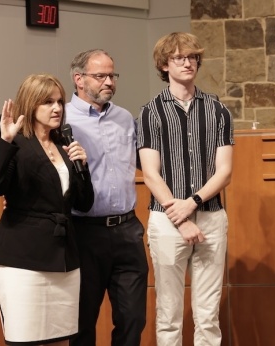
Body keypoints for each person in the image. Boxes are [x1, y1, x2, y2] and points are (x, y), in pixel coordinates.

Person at [0, 73, 94, 346]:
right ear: (31, 105)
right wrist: (4, 142)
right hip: (23, 259)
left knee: (61, 339)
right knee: (26, 339)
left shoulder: (64, 146)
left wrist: (84, 168)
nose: (57, 108)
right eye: (47, 102)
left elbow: (84, 203)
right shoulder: (17, 143)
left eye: (59, 102)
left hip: (63, 258)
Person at [137, 32, 234, 346]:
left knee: (208, 315)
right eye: (180, 57)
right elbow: (150, 174)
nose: (188, 63)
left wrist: (192, 202)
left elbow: (225, 171)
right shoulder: (150, 112)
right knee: (169, 313)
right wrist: (178, 215)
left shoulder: (219, 111)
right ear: (165, 64)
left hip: (210, 218)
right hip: (167, 221)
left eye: (192, 57)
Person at [66, 49, 149, 346]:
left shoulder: (125, 118)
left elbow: (145, 163)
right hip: (84, 232)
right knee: (82, 320)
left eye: (112, 75)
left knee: (133, 318)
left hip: (127, 230)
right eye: (100, 76)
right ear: (79, 78)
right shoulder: (61, 119)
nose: (109, 82)